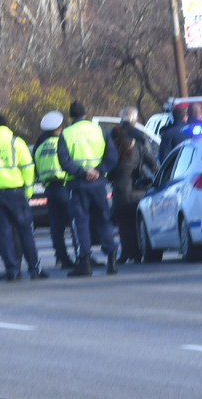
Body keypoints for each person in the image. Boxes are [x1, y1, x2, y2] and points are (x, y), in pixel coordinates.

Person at [0, 114, 49, 282]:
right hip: (17, 194)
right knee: (25, 232)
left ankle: (12, 270)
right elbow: (28, 168)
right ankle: (35, 269)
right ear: (7, 126)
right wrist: (27, 192)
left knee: (4, 234)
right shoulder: (16, 143)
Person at [57, 101, 119, 277]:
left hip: (77, 184)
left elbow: (64, 161)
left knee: (80, 223)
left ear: (71, 116)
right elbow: (112, 156)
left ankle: (84, 262)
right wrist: (98, 171)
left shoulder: (66, 134)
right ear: (85, 114)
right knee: (104, 220)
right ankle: (112, 259)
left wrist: (82, 173)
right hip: (99, 184)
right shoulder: (100, 130)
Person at [33, 110, 77, 269]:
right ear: (59, 129)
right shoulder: (62, 143)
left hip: (49, 190)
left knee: (56, 227)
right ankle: (81, 255)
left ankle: (61, 257)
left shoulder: (39, 148)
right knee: (75, 223)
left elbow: (36, 170)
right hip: (65, 187)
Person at [109, 125, 158, 264]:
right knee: (136, 221)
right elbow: (153, 164)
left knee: (124, 224)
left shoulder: (112, 151)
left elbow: (109, 173)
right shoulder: (137, 148)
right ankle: (137, 253)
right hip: (138, 190)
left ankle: (126, 253)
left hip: (121, 191)